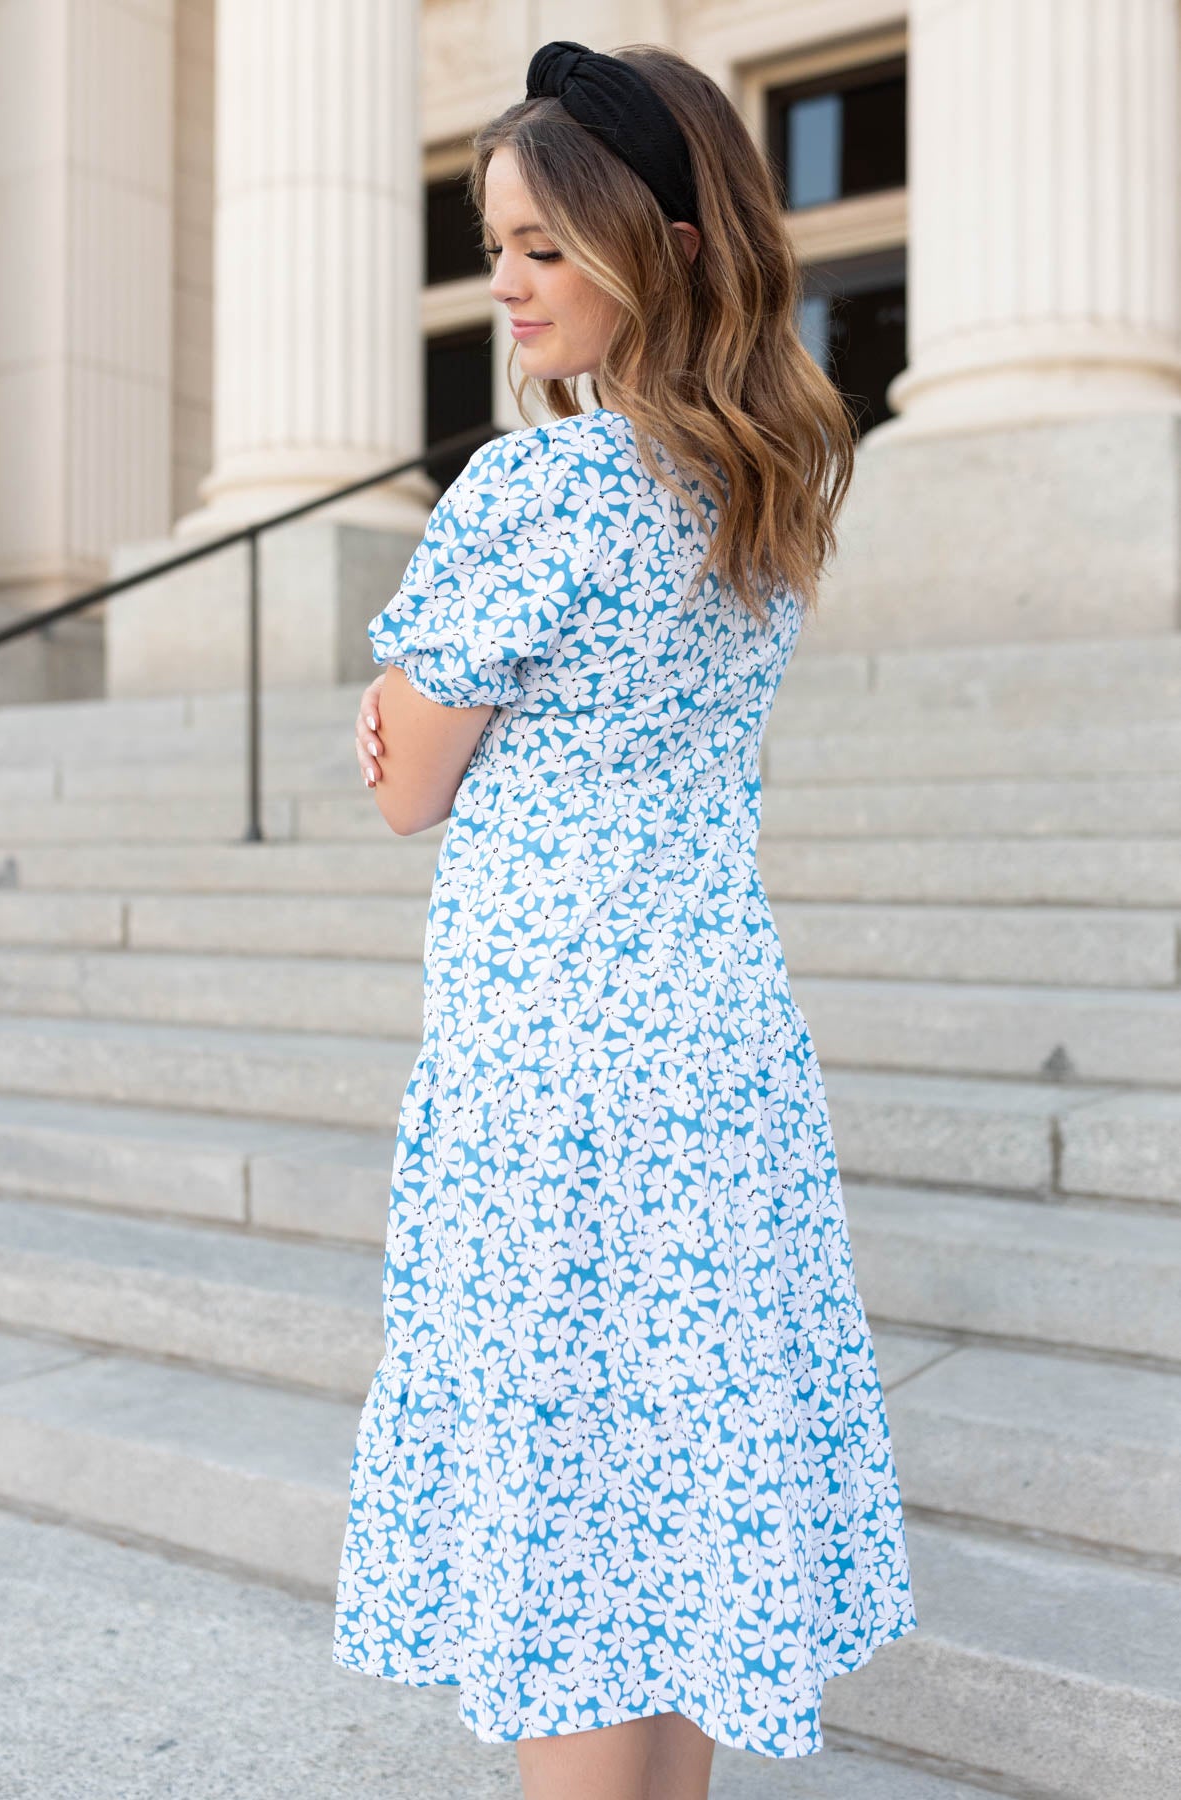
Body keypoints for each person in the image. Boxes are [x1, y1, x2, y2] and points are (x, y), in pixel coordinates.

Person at [332, 38, 917, 1800]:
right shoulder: (755, 486)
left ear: (650, 246)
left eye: (540, 248)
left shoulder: (536, 491)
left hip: (557, 1072)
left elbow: (401, 778)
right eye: (492, 242)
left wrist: (406, 700)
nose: (501, 283)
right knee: (665, 1528)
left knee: (573, 1552)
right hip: (716, 1048)